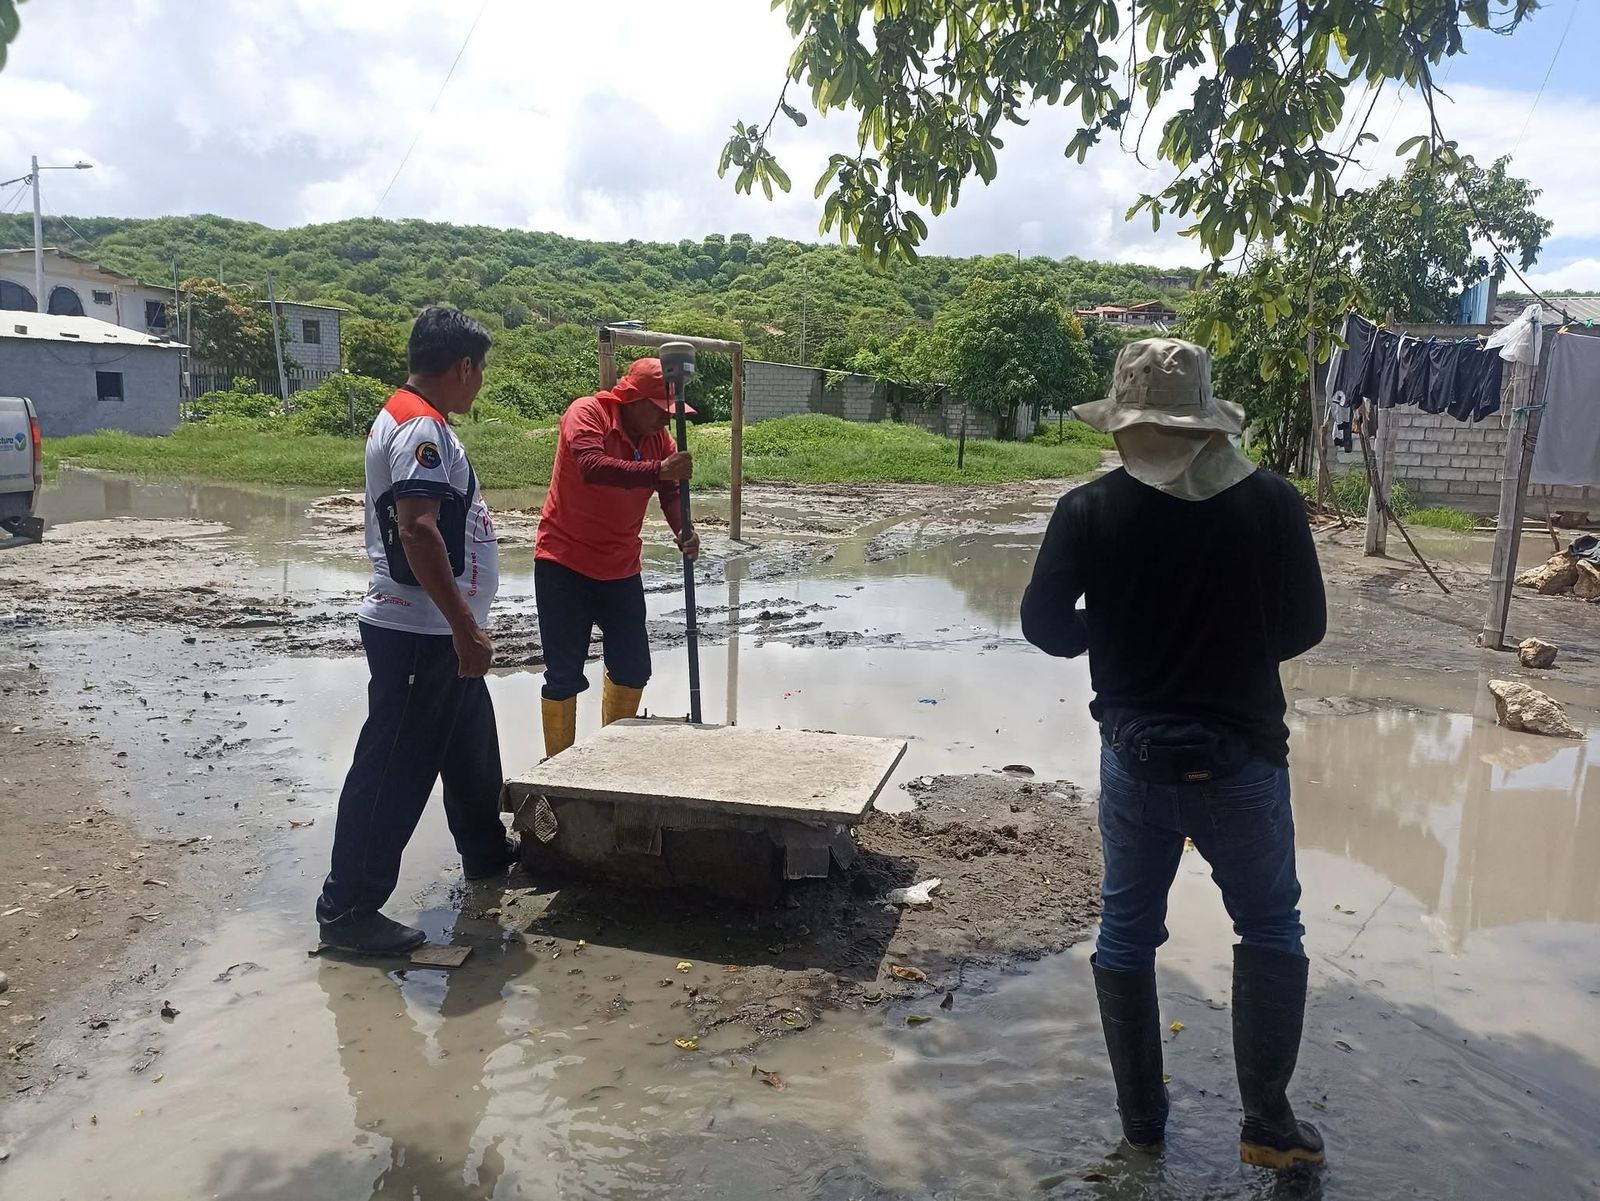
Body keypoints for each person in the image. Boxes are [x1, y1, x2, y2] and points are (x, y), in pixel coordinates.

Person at [1020, 338, 1328, 1169]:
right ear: (1206, 418)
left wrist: (1113, 634)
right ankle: (1268, 1126)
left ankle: (1142, 1126)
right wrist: (1234, 645)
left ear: (1125, 422)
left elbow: (1044, 625)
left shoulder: (1087, 509)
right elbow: (1305, 625)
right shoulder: (1272, 501)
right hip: (1244, 759)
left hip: (1136, 759)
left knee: (1125, 932)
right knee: (1270, 925)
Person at [316, 307, 517, 955]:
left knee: (470, 750)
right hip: (421, 631)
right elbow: (418, 527)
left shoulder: (419, 418)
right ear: (463, 366)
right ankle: (348, 910)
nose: (480, 382)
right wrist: (463, 626)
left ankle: (486, 853)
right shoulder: (418, 425)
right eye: (480, 371)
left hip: (439, 631)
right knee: (395, 767)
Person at [535, 357, 698, 756]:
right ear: (633, 400)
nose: (665, 419)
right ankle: (558, 768)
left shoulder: (660, 440)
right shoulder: (587, 413)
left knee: (633, 669)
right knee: (563, 675)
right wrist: (659, 470)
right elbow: (591, 466)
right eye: (659, 410)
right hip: (564, 563)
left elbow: (671, 492)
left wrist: (684, 530)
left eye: (670, 412)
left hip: (621, 567)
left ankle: (610, 758)